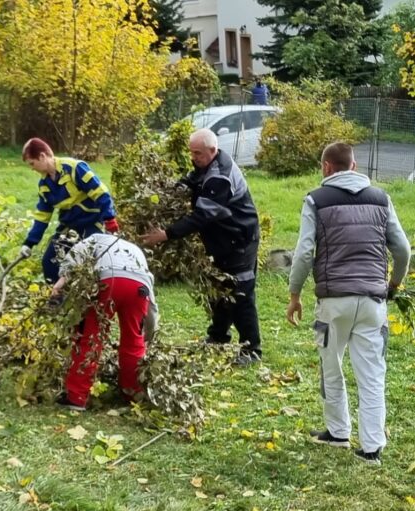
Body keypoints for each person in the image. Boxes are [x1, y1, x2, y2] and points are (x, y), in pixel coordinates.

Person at [285, 142, 411, 465]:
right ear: (353, 167)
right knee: (371, 375)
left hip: (333, 302)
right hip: (372, 300)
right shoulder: (381, 198)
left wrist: (295, 294)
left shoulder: (316, 199)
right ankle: (371, 449)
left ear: (326, 167)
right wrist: (393, 284)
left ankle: (338, 432)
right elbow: (403, 250)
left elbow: (302, 254)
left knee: (332, 366)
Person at [140, 128, 262, 365]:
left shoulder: (220, 176)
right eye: (191, 152)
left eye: (197, 153)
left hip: (239, 239)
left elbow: (201, 217)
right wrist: (172, 192)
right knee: (218, 288)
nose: (193, 157)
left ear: (212, 150)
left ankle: (252, 349)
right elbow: (192, 179)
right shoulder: (208, 163)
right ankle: (218, 337)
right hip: (222, 239)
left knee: (240, 293)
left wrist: (165, 234)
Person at [52, 233, 156, 411]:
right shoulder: (135, 250)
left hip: (109, 282)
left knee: (90, 336)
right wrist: (150, 332)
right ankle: (132, 393)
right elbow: (151, 304)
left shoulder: (92, 240)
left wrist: (57, 288)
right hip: (140, 288)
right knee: (134, 340)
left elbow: (71, 265)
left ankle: (76, 397)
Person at [19, 137, 119, 283]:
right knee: (50, 261)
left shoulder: (75, 168)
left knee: (90, 261)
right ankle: (56, 297)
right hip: (69, 227)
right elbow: (42, 217)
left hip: (91, 224)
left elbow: (101, 193)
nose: (32, 168)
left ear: (42, 156)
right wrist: (29, 243)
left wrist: (110, 220)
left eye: (32, 163)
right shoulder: (44, 185)